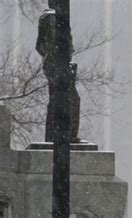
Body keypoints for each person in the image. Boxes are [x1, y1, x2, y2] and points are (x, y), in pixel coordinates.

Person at [36, 0, 82, 143]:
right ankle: (66, 135)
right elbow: (56, 43)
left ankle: (56, 135)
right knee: (70, 99)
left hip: (56, 65)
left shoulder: (50, 18)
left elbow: (40, 46)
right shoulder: (53, 18)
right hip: (58, 66)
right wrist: (59, 60)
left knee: (57, 100)